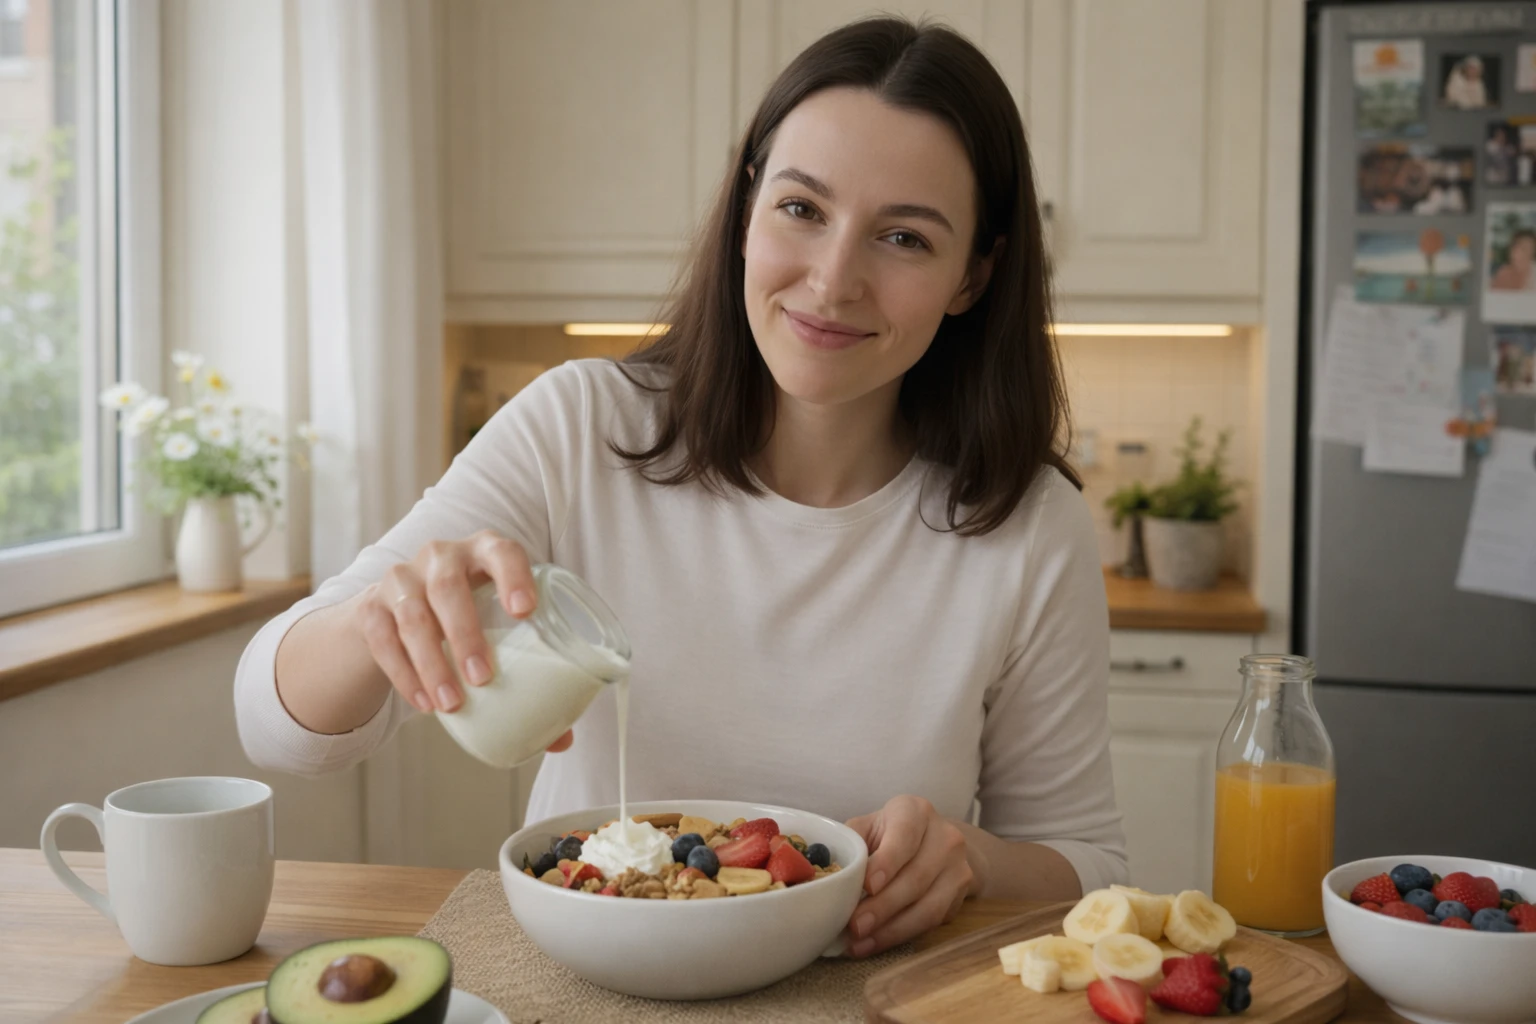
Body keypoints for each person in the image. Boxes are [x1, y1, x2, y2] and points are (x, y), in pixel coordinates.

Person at [235, 17, 1127, 957]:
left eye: (903, 237)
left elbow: (1091, 861)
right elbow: (278, 728)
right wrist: (385, 616)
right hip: (591, 988)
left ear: (972, 276)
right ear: (746, 209)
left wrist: (973, 860)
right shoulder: (581, 427)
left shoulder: (1028, 526)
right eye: (801, 209)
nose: (831, 281)